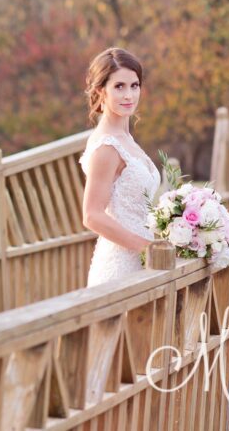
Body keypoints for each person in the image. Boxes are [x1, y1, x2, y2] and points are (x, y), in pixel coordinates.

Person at [79, 47, 160, 287]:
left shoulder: (125, 139)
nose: (129, 95)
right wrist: (147, 247)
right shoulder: (107, 146)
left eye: (134, 86)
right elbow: (92, 215)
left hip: (145, 261)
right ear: (100, 91)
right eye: (119, 87)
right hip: (121, 267)